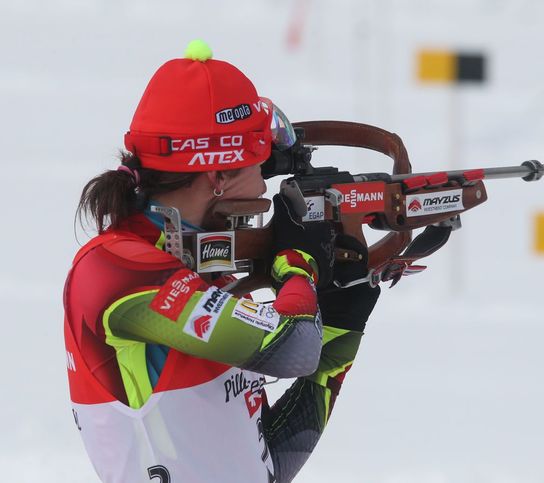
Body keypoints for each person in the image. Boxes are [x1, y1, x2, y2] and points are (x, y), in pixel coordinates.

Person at [63, 40, 380, 483]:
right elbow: (292, 349)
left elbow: (266, 463)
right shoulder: (116, 269)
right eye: (262, 166)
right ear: (218, 174)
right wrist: (296, 266)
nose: (266, 183)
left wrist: (343, 323)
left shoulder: (205, 277)